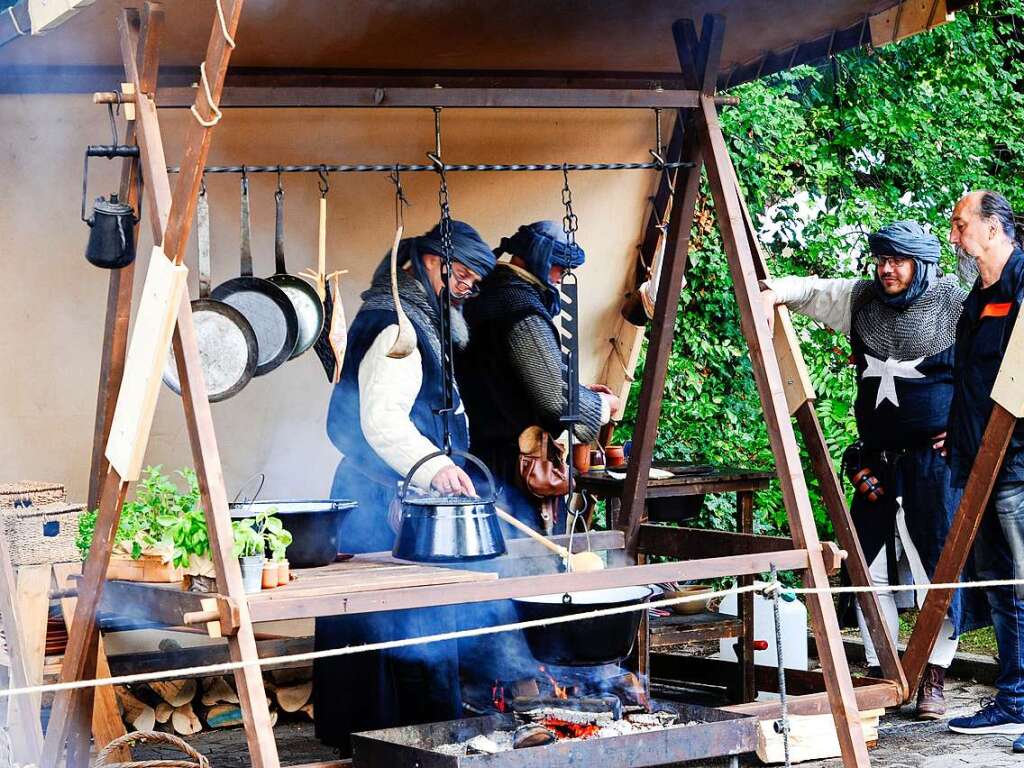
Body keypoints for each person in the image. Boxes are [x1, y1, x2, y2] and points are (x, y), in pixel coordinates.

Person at [761, 221, 987, 719]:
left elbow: (993, 362)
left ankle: (933, 674)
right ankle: (887, 670)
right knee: (871, 571)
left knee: (938, 570)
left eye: (898, 260)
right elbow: (811, 291)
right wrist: (771, 291)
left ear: (921, 264)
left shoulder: (955, 303)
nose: (886, 269)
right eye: (881, 259)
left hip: (934, 465)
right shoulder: (863, 302)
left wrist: (967, 429)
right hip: (878, 461)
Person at [314, 220, 496, 755]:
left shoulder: (410, 318)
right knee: (392, 623)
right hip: (381, 498)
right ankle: (395, 745)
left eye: (474, 281)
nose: (466, 289)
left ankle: (396, 742)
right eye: (462, 276)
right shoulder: (399, 327)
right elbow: (381, 421)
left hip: (391, 491)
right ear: (431, 264)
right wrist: (433, 466)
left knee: (400, 625)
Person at [457, 220, 620, 531]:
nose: (561, 276)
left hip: (481, 459)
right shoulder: (517, 304)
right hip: (513, 471)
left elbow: (508, 380)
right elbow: (556, 401)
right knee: (529, 567)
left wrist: (580, 390)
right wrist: (601, 405)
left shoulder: (486, 294)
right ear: (539, 259)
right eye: (559, 266)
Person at [944, 191, 1024, 748]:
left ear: (993, 229)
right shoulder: (982, 293)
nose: (954, 234)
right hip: (979, 462)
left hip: (1016, 465)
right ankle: (1014, 699)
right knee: (1000, 587)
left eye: (961, 224)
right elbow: (972, 376)